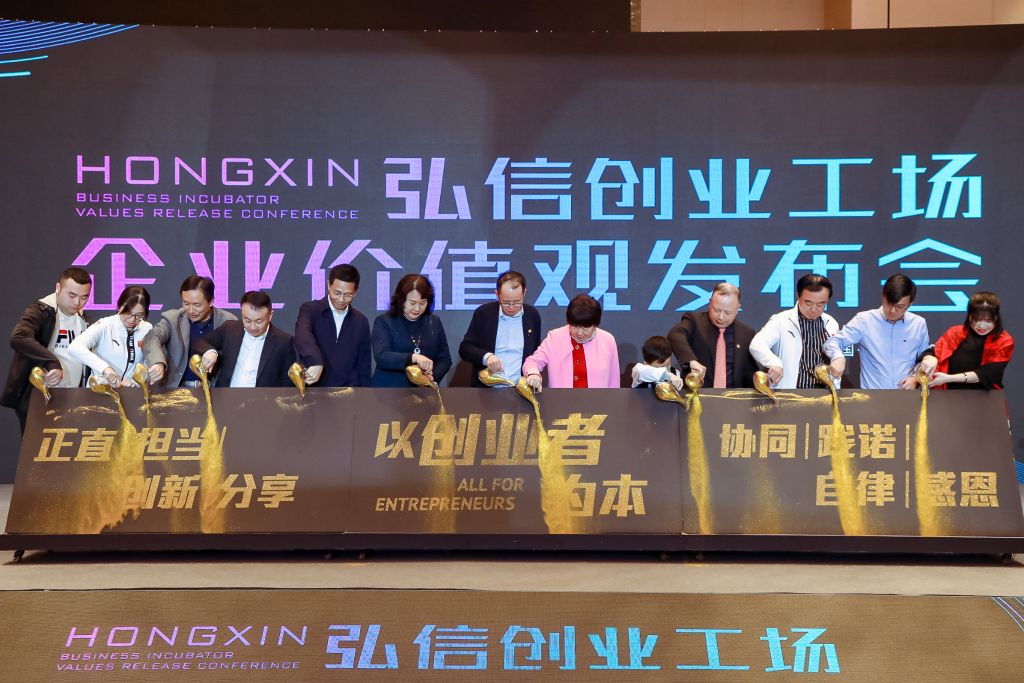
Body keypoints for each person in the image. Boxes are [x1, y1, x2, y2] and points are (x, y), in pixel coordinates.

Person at [2, 267, 92, 432]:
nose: (77, 303)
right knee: (37, 448)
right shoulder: (41, 310)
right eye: (72, 295)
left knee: (67, 448)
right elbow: (19, 337)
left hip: (72, 399)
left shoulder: (83, 319)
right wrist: (52, 363)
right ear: (58, 288)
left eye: (84, 297)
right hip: (39, 398)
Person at [823, 274, 936, 389]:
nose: (892, 311)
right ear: (883, 296)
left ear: (910, 304)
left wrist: (915, 379)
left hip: (906, 395)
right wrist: (838, 357)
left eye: (900, 307)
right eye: (889, 304)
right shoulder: (864, 320)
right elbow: (831, 343)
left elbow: (923, 360)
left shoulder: (918, 324)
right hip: (873, 395)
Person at [141, 275, 237, 388]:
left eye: (197, 305)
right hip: (177, 388)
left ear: (211, 301)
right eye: (186, 303)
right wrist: (157, 362)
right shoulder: (173, 319)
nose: (191, 310)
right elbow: (152, 338)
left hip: (215, 390)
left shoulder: (228, 322)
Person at [749, 274, 841, 389]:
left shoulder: (831, 323)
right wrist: (774, 363)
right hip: (792, 393)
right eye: (808, 303)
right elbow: (757, 344)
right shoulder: (781, 320)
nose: (813, 309)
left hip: (824, 393)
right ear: (798, 296)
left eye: (820, 305)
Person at [458, 270, 542, 387]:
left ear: (524, 293)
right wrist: (487, 357)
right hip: (487, 390)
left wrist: (533, 373)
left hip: (520, 389)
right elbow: (465, 349)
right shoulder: (484, 313)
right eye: (506, 302)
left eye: (517, 302)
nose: (511, 307)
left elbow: (536, 353)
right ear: (497, 294)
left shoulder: (532, 316)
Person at [195, 291, 295, 388]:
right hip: (227, 395)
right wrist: (210, 352)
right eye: (247, 320)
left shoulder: (284, 341)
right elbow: (200, 342)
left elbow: (287, 381)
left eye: (259, 321)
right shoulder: (230, 328)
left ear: (270, 315)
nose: (253, 327)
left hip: (262, 398)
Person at [293, 264, 371, 387]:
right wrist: (315, 361)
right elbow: (302, 336)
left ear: (355, 292)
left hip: (348, 392)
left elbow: (364, 366)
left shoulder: (361, 321)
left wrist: (364, 393)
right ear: (328, 285)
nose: (341, 299)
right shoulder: (310, 310)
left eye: (348, 295)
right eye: (337, 293)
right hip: (314, 389)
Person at [667, 282, 757, 389]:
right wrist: (691, 361)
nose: (721, 317)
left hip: (733, 397)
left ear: (738, 308)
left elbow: (749, 375)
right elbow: (675, 335)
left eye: (727, 312)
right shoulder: (694, 321)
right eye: (717, 310)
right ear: (710, 303)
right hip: (697, 394)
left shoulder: (746, 334)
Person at [523, 294, 620, 391]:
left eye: (586, 328)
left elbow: (614, 381)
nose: (579, 333)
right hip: (561, 399)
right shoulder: (555, 338)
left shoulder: (607, 340)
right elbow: (533, 362)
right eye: (575, 326)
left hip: (598, 400)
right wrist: (533, 373)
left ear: (595, 325)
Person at [371, 274, 452, 387]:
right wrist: (413, 358)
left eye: (422, 303)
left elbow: (445, 359)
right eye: (412, 303)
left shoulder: (434, 322)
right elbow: (382, 356)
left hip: (423, 391)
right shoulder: (384, 322)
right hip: (389, 390)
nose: (417, 308)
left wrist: (432, 376)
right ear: (401, 300)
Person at [68, 286, 155, 388]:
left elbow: (148, 364)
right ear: (119, 306)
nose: (132, 319)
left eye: (139, 315)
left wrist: (134, 382)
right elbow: (75, 347)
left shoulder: (146, 328)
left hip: (131, 392)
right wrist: (104, 369)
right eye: (128, 313)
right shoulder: (105, 325)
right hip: (101, 390)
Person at [929, 292, 1013, 390]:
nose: (982, 326)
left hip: (986, 396)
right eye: (976, 319)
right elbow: (934, 352)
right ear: (969, 316)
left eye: (988, 320)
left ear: (996, 318)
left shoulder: (1004, 341)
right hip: (950, 395)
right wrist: (929, 358)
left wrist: (949, 378)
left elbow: (988, 374)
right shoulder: (955, 332)